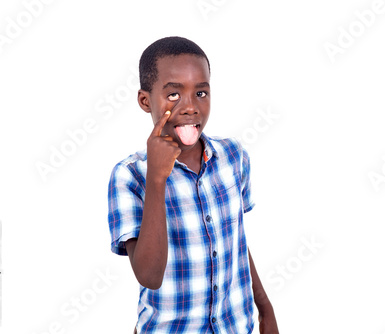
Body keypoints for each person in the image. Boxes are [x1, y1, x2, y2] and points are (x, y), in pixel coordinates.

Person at [107, 36, 278, 333]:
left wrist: (265, 308)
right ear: (146, 101)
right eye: (174, 95)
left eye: (201, 92)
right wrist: (158, 179)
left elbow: (234, 240)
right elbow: (149, 275)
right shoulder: (130, 176)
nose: (190, 107)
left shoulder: (233, 157)